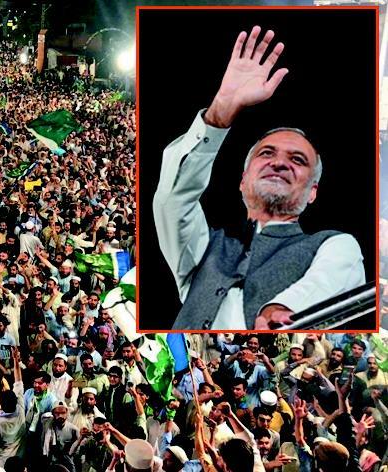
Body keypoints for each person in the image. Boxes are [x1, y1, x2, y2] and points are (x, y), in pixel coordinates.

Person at [153, 25, 365, 330]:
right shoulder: (203, 248)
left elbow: (329, 281)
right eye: (267, 153)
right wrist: (221, 110)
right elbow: (172, 199)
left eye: (297, 160)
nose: (279, 163)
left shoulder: (333, 245)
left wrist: (283, 309)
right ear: (242, 181)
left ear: (313, 191)